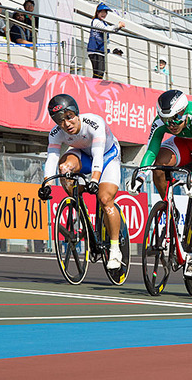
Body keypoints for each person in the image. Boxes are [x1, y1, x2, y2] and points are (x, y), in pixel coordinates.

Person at [126, 90, 192, 280]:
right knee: (159, 166)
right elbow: (151, 152)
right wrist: (140, 176)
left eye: (175, 119)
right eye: (166, 120)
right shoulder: (161, 122)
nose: (171, 124)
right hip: (183, 143)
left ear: (184, 111)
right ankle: (170, 208)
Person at [38, 94, 124, 270]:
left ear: (77, 114)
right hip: (83, 155)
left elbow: (98, 154)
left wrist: (94, 180)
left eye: (69, 117)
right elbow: (52, 158)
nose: (66, 124)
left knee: (105, 199)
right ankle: (79, 207)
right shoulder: (56, 133)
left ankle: (115, 249)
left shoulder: (94, 123)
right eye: (60, 121)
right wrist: (46, 184)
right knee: (64, 168)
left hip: (107, 156)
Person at [87, 2, 125, 79]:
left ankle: (95, 87)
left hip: (100, 50)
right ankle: (93, 87)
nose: (103, 14)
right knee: (98, 72)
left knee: (100, 72)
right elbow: (106, 29)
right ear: (97, 12)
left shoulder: (103, 22)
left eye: (105, 12)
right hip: (95, 50)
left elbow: (110, 30)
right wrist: (117, 26)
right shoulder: (96, 21)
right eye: (102, 12)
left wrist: (118, 27)